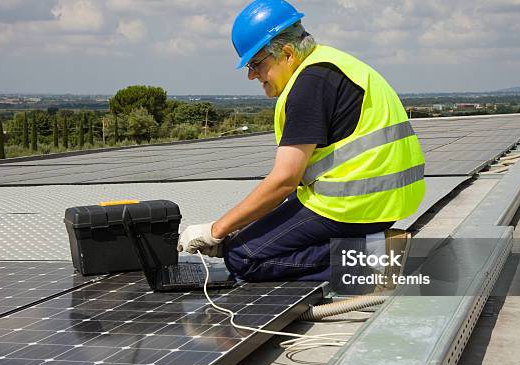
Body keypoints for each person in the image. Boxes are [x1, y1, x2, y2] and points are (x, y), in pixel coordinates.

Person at [177, 0, 425, 282]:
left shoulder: (309, 85)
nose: (251, 75)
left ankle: (375, 258)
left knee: (241, 256)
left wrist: (216, 230)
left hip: (354, 206)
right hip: (390, 200)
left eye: (256, 63)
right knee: (249, 235)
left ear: (286, 52)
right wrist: (239, 227)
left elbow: (284, 180)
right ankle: (370, 246)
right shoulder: (332, 63)